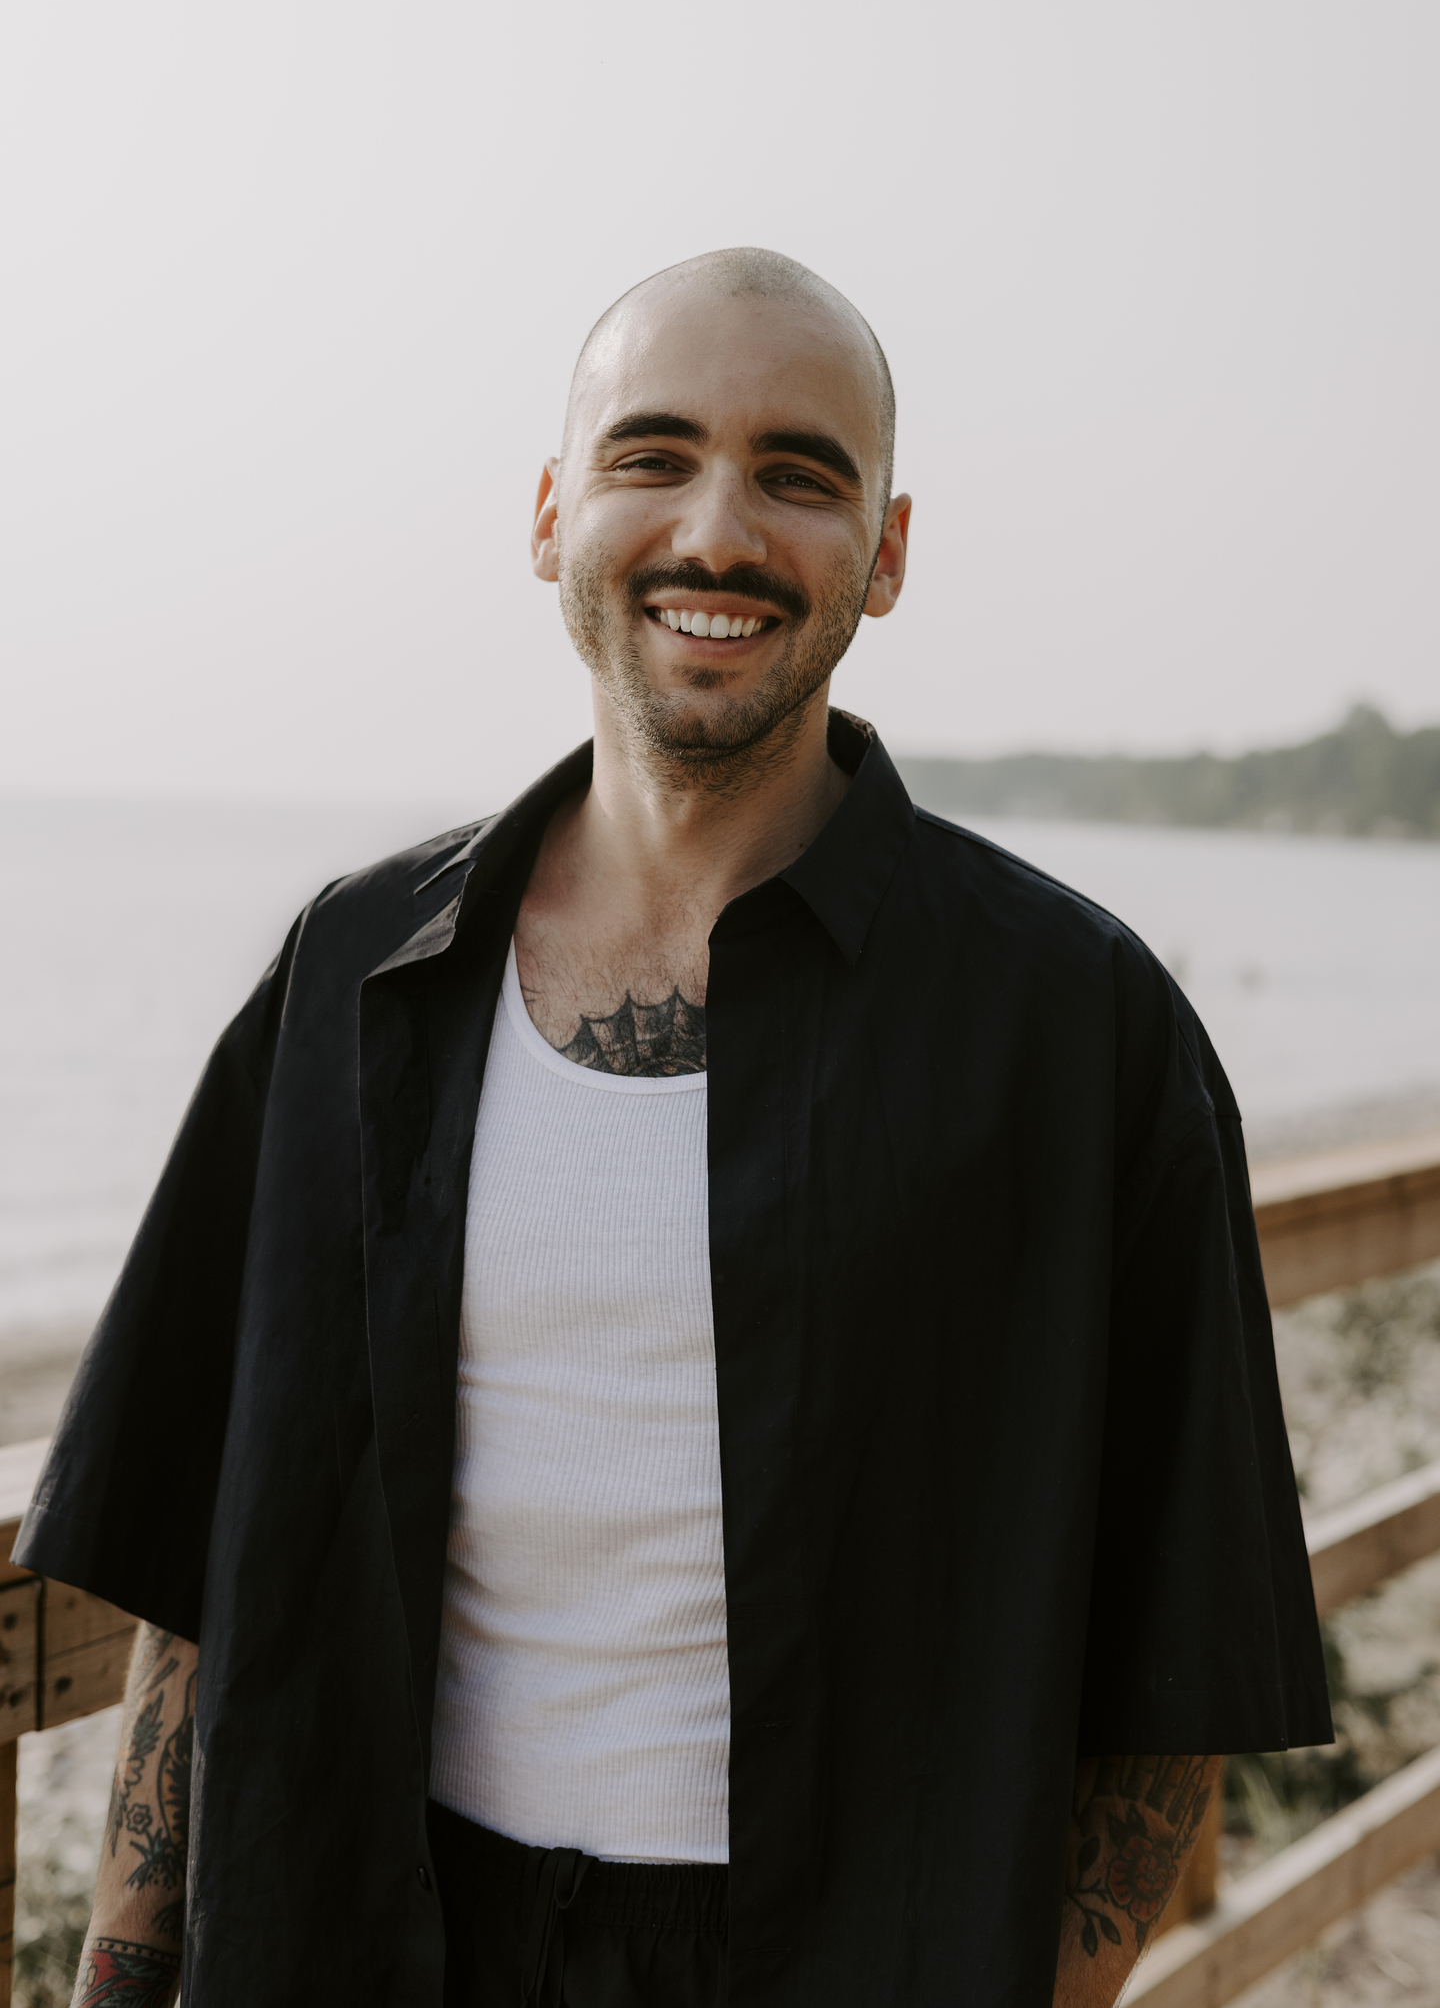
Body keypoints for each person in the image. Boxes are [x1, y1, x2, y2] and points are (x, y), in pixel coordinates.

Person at [17, 248, 1330, 2008]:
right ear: (553, 512)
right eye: (653, 456)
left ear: (888, 550)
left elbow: (1177, 1644)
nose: (720, 530)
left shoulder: (1076, 1027)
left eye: (801, 473)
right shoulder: (353, 972)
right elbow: (210, 1533)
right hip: (364, 1931)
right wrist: (123, 1964)